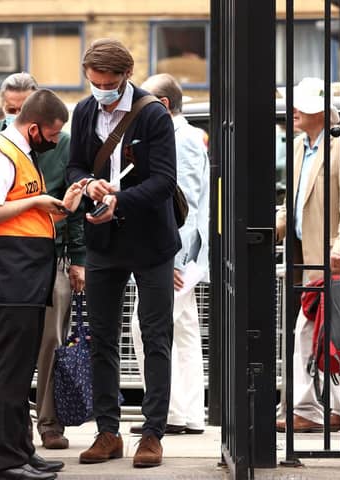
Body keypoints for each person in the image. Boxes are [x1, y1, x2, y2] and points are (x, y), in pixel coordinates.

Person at [66, 38, 180, 468]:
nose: (101, 89)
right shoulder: (83, 111)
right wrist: (88, 184)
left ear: (125, 76)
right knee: (102, 339)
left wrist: (120, 199)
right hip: (102, 242)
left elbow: (164, 182)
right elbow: (76, 164)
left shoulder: (152, 114)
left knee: (155, 338)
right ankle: (107, 431)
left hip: (150, 243)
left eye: (108, 83)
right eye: (94, 82)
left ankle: (152, 434)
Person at [0, 89, 86, 480]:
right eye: (52, 135)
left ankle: (21, 451)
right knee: (9, 370)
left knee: (19, 371)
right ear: (34, 127)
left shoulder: (22, 154)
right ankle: (7, 461)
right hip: (7, 275)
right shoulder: (0, 154)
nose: (55, 142)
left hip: (21, 273)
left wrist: (61, 207)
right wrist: (38, 203)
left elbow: (21, 218)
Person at [275, 77, 340, 433]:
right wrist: (275, 226)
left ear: (320, 112)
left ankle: (309, 410)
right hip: (308, 257)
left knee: (309, 333)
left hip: (331, 259)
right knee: (330, 334)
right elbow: (294, 202)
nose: (293, 111)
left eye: (300, 105)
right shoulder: (302, 146)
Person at [130, 73, 209, 436]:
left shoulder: (184, 139)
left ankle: (174, 412)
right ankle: (189, 413)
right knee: (183, 331)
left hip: (173, 254)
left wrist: (174, 259)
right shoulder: (184, 137)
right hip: (181, 253)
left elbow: (186, 202)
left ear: (162, 105)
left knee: (149, 329)